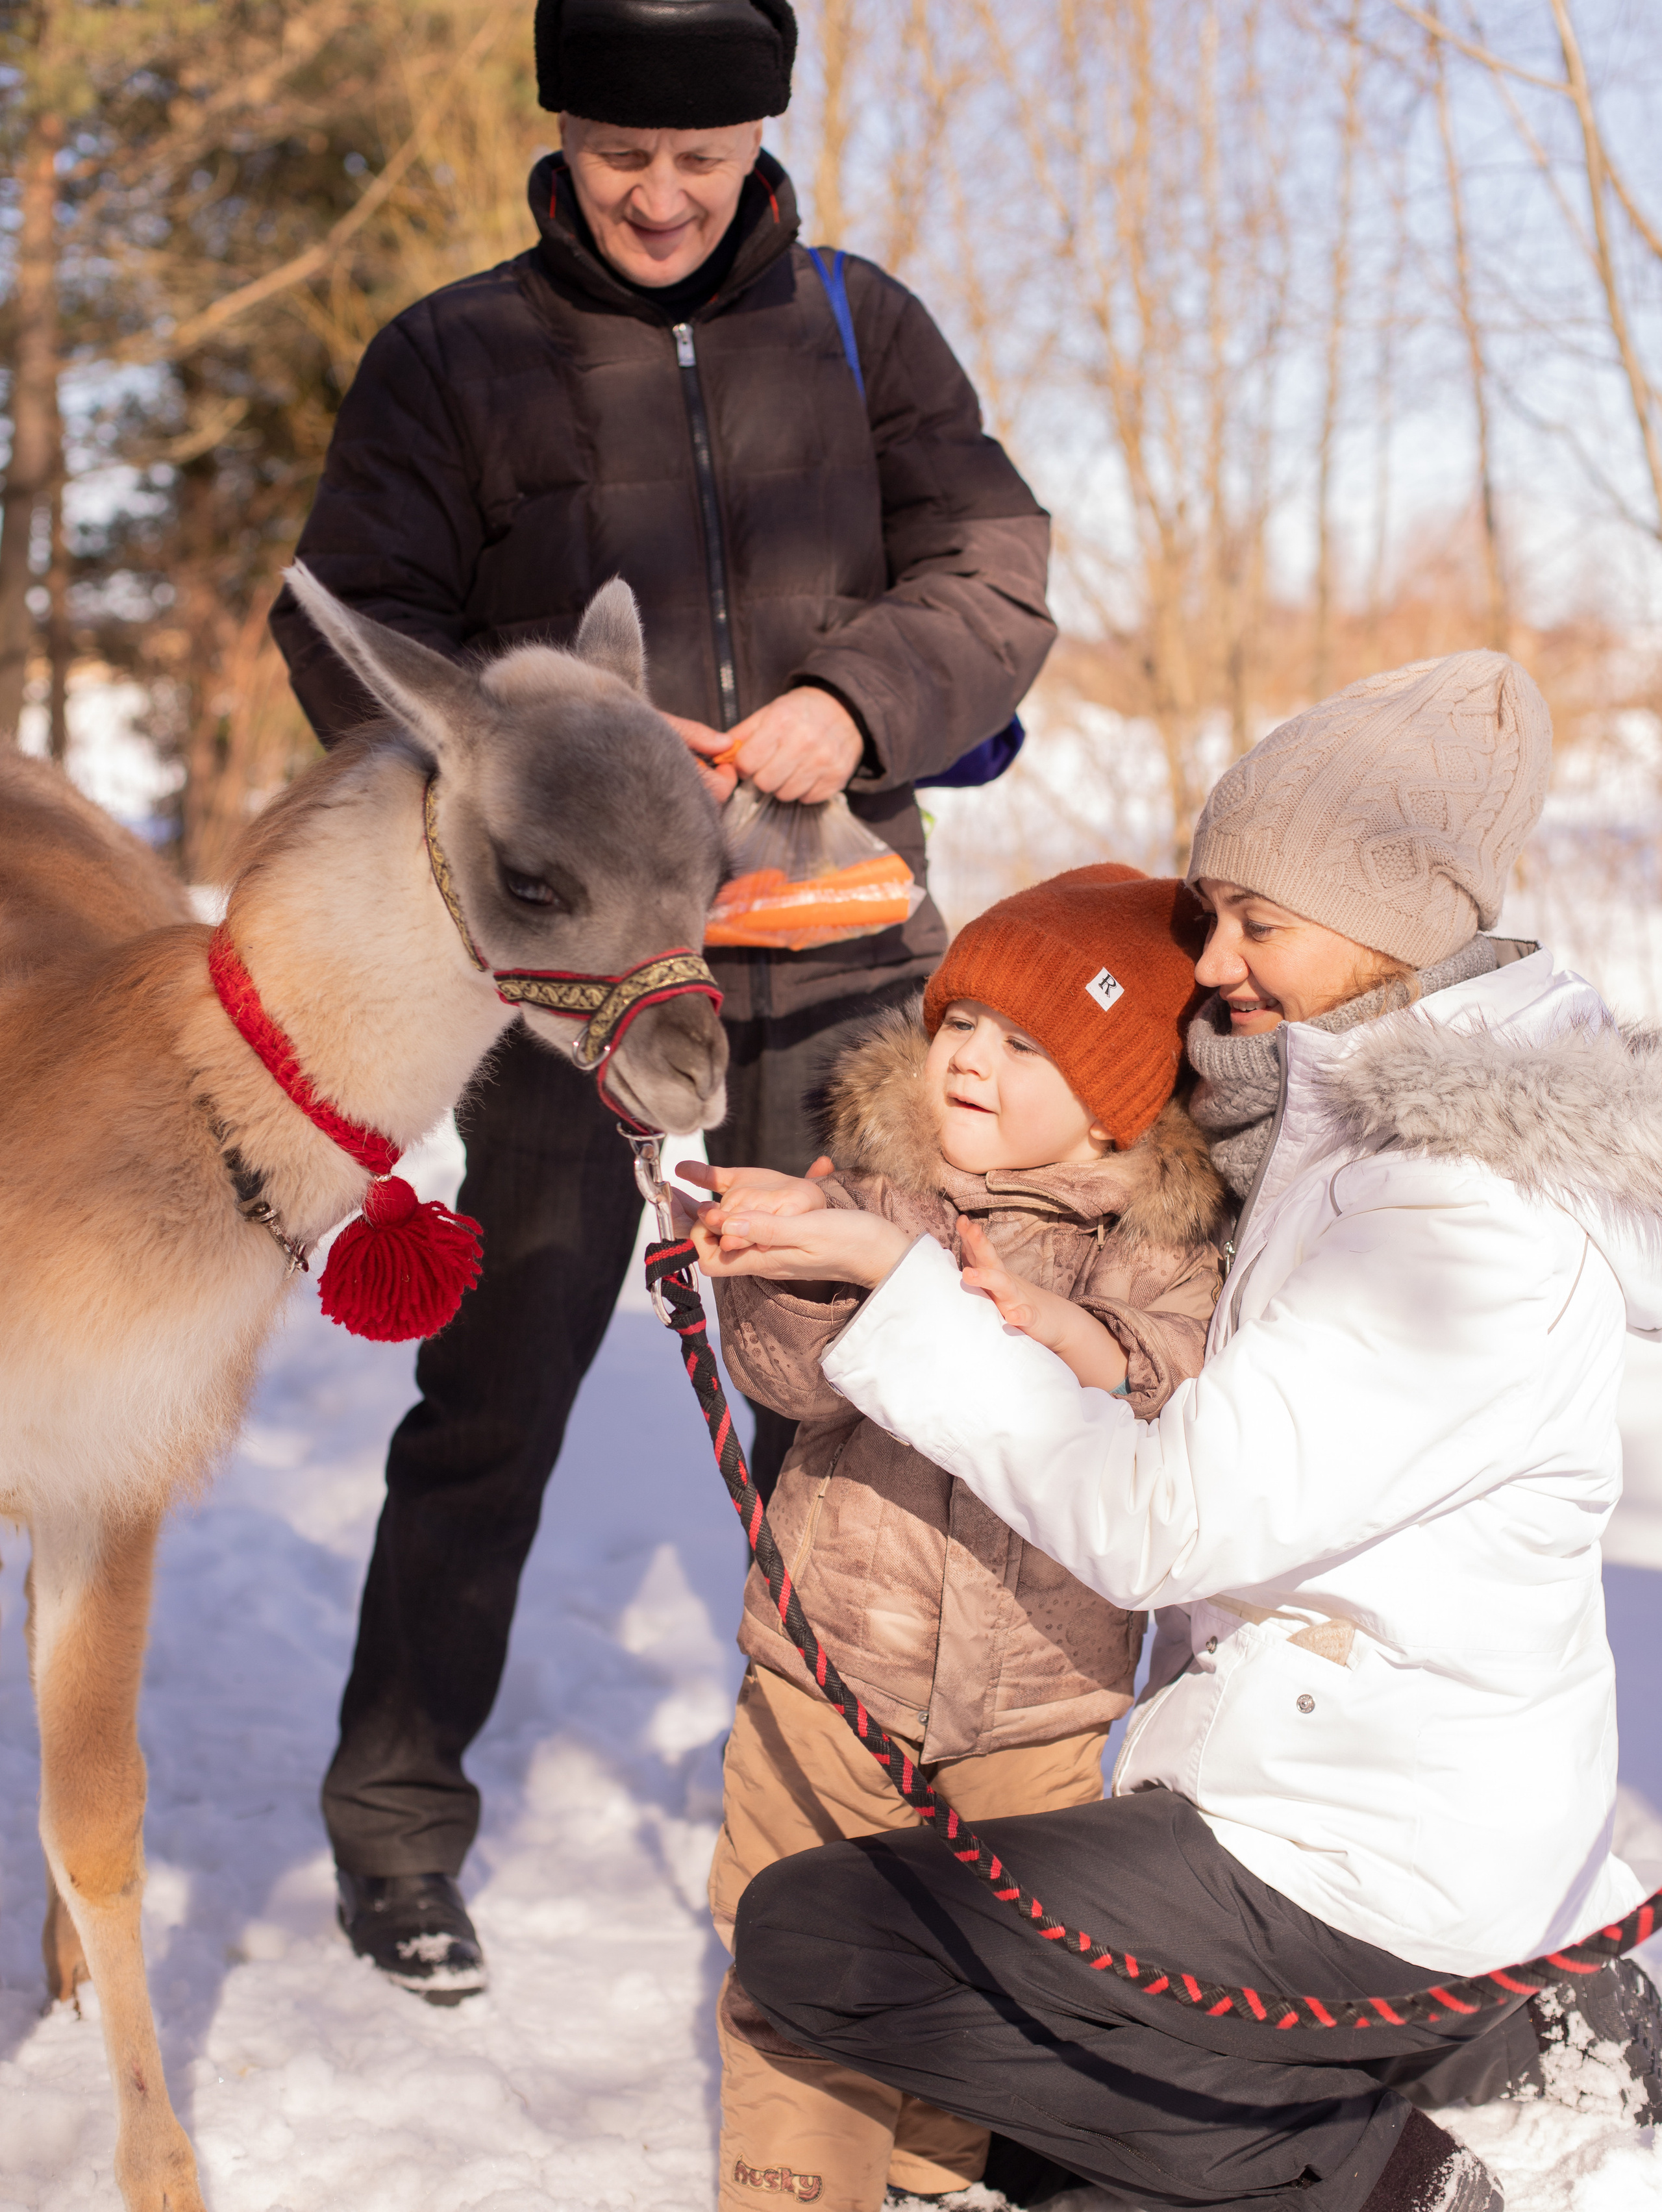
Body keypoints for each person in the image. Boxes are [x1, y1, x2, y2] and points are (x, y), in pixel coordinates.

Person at [267, 0, 1054, 1997]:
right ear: (563, 128)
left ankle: (846, 1839)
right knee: (497, 1396)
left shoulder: (866, 329)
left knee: (860, 1404)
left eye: (702, 156)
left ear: (760, 141)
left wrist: (850, 701)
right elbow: (348, 632)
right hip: (576, 991)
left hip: (842, 967)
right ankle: (396, 1826)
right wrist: (549, 754)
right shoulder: (451, 355)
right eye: (623, 150)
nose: (659, 193)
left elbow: (993, 575)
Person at [695, 650, 1662, 2212]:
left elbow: (1155, 1524)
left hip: (1359, 1853)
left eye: (1254, 922)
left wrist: (903, 1285)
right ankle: (1475, 2030)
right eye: (1211, 915)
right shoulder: (1348, 1112)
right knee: (1064, 2140)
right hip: (1345, 1779)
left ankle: (1374, 2171)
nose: (1210, 962)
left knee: (832, 1941)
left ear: (1393, 916)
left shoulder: (1455, 1220)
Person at [687, 867, 1226, 2211]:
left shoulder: (1160, 1246)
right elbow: (786, 1382)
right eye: (960, 1026)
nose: (970, 1060)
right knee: (795, 1935)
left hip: (1042, 1705)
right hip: (828, 1675)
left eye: (1024, 1044)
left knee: (988, 1964)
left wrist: (1081, 1337)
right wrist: (800, 1264)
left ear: (1113, 1101)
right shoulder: (881, 1190)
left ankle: (937, 2175)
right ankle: (795, 2187)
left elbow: (1179, 1381)